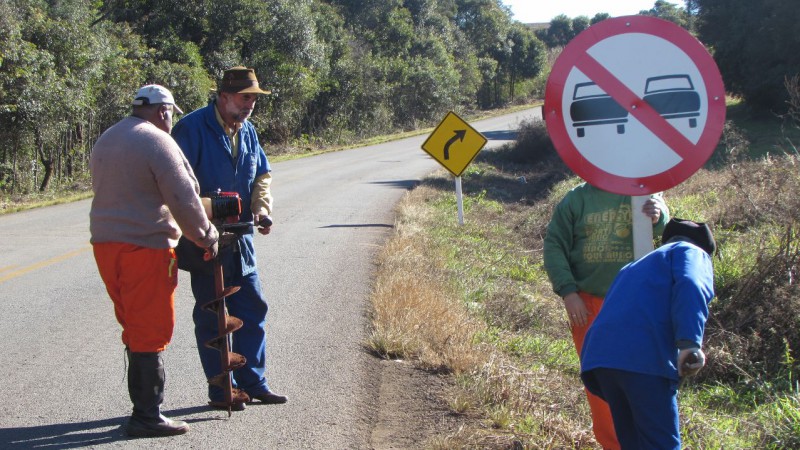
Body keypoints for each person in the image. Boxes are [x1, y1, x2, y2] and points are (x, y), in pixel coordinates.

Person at [90, 84, 220, 437]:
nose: (169, 121)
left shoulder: (108, 138)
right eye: (169, 115)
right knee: (151, 328)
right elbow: (183, 197)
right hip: (144, 247)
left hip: (105, 245)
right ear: (163, 111)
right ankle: (146, 415)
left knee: (133, 324)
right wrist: (207, 235)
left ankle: (143, 408)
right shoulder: (158, 141)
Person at [171, 66, 286, 411]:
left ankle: (254, 383)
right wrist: (203, 222)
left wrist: (261, 209)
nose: (250, 104)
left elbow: (262, 175)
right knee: (212, 317)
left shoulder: (248, 131)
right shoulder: (190, 129)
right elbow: (176, 187)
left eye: (253, 98)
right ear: (222, 96)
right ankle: (222, 390)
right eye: (244, 97)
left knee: (252, 309)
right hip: (205, 240)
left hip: (242, 240)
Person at [542, 181, 669, 450]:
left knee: (642, 380)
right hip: (589, 307)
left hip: (637, 304)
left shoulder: (639, 188)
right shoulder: (576, 200)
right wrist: (569, 292)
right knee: (601, 386)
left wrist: (659, 214)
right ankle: (613, 445)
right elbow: (554, 245)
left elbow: (661, 225)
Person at [580, 219, 716, 449]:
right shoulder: (692, 251)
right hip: (641, 359)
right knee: (661, 444)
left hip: (600, 361)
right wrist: (689, 344)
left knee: (633, 443)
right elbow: (692, 284)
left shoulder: (634, 265)